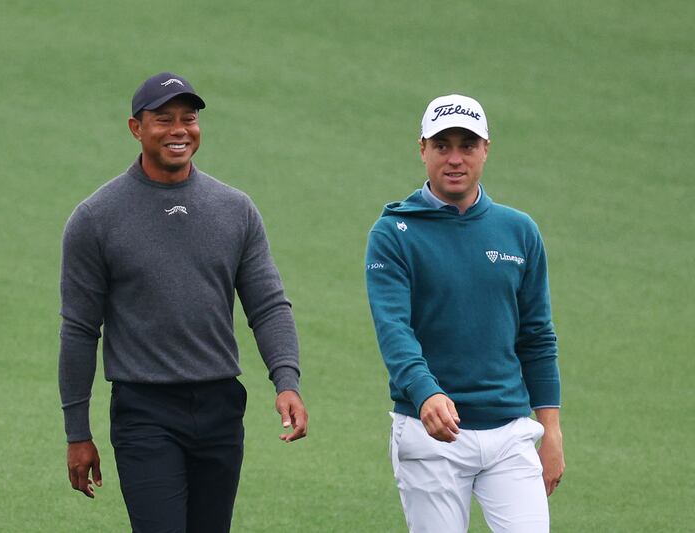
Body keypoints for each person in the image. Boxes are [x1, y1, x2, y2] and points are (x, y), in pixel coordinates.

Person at [58, 72, 308, 533]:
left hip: (220, 407)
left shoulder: (235, 209)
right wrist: (78, 432)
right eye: (164, 120)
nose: (179, 130)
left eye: (188, 119)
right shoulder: (96, 218)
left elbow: (268, 305)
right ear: (136, 128)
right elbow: (78, 329)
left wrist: (286, 382)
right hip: (144, 411)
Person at [365, 94, 564, 533]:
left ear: (486, 149)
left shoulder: (519, 231)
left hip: (510, 432)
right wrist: (426, 391)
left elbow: (536, 336)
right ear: (423, 149)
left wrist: (550, 430)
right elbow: (394, 328)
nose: (455, 159)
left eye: (467, 145)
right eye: (442, 146)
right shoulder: (393, 233)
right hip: (429, 431)